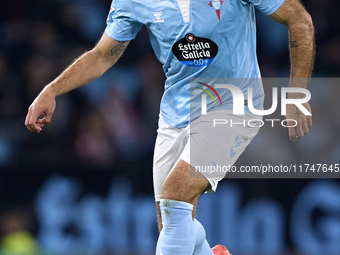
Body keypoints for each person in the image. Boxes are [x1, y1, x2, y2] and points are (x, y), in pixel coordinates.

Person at [25, 0, 315, 254]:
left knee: (175, 193)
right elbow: (102, 55)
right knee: (174, 223)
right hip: (175, 114)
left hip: (235, 104)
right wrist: (52, 90)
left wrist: (296, 94)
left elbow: (298, 18)